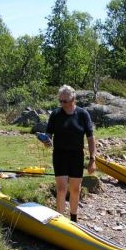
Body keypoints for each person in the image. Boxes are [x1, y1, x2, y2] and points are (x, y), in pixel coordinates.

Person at [42, 85, 96, 222]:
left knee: (75, 189)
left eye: (64, 101)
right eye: (60, 101)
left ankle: (73, 218)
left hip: (77, 156)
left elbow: (90, 137)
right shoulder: (55, 114)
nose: (61, 104)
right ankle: (59, 219)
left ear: (73, 99)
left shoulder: (83, 114)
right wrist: (46, 140)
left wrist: (92, 159)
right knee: (61, 189)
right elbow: (49, 133)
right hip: (59, 155)